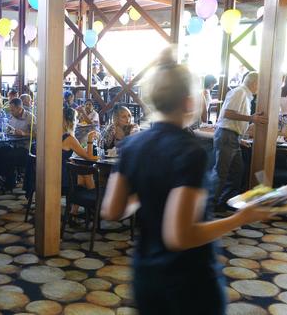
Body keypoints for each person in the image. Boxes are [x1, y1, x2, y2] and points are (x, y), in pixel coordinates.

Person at [100, 48, 274, 315]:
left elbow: (112, 211)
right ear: (189, 102)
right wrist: (240, 218)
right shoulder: (189, 151)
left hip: (146, 276)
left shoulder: (133, 144)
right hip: (187, 282)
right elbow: (179, 236)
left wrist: (148, 192)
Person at [209, 72, 267, 212]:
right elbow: (227, 114)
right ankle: (210, 205)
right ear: (255, 83)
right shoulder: (240, 92)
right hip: (227, 135)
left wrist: (240, 139)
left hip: (232, 137)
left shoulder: (245, 95)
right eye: (260, 84)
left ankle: (223, 202)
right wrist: (251, 118)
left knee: (237, 171)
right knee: (221, 172)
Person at [0, 98, 36, 190]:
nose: (10, 112)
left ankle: (10, 183)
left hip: (26, 148)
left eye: (12, 110)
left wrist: (24, 133)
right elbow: (9, 130)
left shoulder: (30, 117)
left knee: (8, 156)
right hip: (13, 145)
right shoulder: (12, 117)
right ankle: (3, 178)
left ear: (19, 108)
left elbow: (37, 134)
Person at [62, 106, 98, 192]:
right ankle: (94, 200)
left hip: (54, 171)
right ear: (71, 121)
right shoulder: (69, 139)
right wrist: (90, 139)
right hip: (62, 177)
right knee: (85, 174)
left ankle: (78, 203)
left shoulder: (56, 134)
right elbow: (89, 158)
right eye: (76, 119)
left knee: (83, 173)